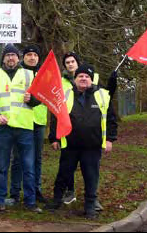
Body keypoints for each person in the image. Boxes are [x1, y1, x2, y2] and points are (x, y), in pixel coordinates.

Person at [46, 64, 118, 219]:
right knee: (63, 174)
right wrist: (54, 138)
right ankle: (56, 200)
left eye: (87, 77)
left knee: (91, 176)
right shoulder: (65, 95)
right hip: (70, 145)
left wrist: (110, 139)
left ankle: (90, 206)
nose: (83, 78)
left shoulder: (103, 95)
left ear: (91, 80)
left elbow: (111, 119)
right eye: (80, 76)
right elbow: (56, 117)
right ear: (75, 79)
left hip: (92, 146)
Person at [0, 44, 42, 214]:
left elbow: (39, 100)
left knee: (28, 167)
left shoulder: (29, 74)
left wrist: (32, 99)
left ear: (18, 58)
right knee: (2, 167)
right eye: (7, 55)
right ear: (3, 58)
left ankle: (30, 203)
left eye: (13, 55)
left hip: (24, 127)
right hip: (4, 127)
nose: (10, 58)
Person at [7, 45, 48, 205]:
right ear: (23, 57)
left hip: (38, 121)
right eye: (29, 55)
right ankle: (15, 193)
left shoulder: (44, 74)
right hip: (21, 121)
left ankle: (36, 191)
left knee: (36, 159)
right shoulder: (17, 73)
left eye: (35, 55)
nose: (32, 57)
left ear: (39, 58)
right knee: (17, 159)